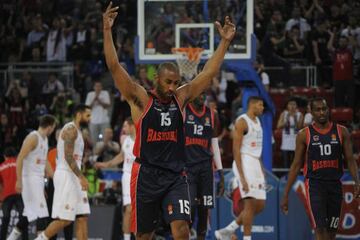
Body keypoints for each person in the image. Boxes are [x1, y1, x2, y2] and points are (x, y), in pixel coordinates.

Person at [103, 2, 235, 239]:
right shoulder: (141, 99)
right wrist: (106, 30)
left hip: (175, 175)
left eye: (176, 82)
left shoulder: (181, 98)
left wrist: (224, 42)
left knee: (182, 229)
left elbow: (207, 73)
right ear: (157, 79)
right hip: (146, 175)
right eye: (168, 82)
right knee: (144, 235)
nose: (173, 87)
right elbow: (114, 67)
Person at [281, 98, 360, 240]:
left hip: (335, 185)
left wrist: (357, 182)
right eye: (318, 109)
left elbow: (350, 160)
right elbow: (296, 164)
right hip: (315, 185)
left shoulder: (342, 131)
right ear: (311, 112)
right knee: (320, 229)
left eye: (324, 109)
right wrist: (286, 193)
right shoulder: (304, 134)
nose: (322, 112)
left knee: (331, 233)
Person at [35, 104, 91, 240]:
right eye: (87, 115)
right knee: (65, 220)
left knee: (82, 217)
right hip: (67, 175)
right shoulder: (70, 129)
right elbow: (68, 157)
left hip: (75, 176)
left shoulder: (78, 131)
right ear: (79, 114)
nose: (90, 119)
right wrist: (82, 177)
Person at [215, 96, 266, 240]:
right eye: (260, 105)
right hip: (245, 162)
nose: (262, 108)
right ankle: (247, 238)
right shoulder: (242, 122)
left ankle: (227, 230)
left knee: (260, 205)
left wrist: (261, 168)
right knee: (249, 204)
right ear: (252, 105)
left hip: (255, 162)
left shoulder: (258, 122)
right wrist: (242, 177)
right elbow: (236, 150)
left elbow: (257, 148)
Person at [184, 93, 224, 239]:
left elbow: (214, 143)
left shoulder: (212, 114)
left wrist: (220, 171)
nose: (201, 96)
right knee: (191, 207)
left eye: (203, 94)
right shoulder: (183, 111)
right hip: (188, 168)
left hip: (206, 169)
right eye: (198, 93)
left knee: (204, 209)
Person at [10, 115, 57, 239]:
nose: (53, 130)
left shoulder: (45, 139)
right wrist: (19, 181)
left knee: (28, 214)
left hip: (37, 181)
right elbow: (20, 158)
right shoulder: (33, 138)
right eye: (54, 127)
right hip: (29, 179)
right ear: (50, 126)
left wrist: (55, 178)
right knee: (42, 214)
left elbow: (44, 161)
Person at [95, 117, 136, 240]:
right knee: (128, 209)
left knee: (139, 211)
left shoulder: (142, 140)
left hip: (141, 177)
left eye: (125, 126)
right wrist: (106, 165)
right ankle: (126, 238)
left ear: (132, 126)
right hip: (128, 176)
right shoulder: (126, 140)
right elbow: (121, 156)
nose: (123, 129)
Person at [0, 147, 28, 240]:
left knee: (5, 219)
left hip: (6, 195)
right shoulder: (20, 163)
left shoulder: (1, 166)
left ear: (5, 156)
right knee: (23, 217)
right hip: (19, 193)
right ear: (15, 155)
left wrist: (0, 199)